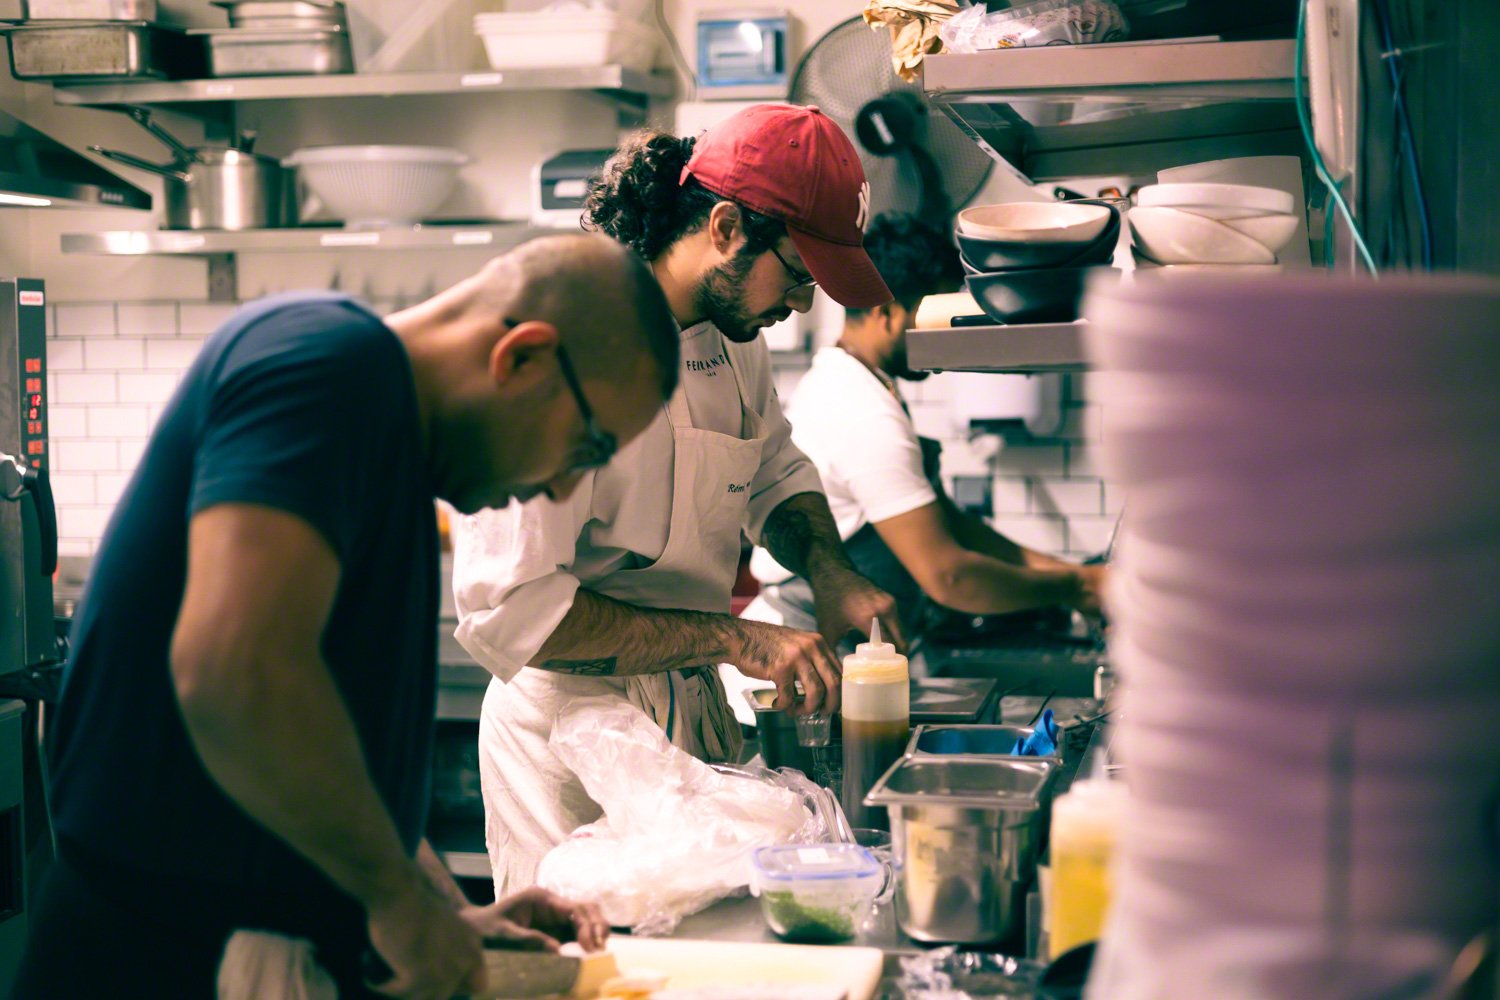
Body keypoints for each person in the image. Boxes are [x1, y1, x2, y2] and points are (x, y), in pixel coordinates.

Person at [15, 234, 676, 1000]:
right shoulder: (324, 363)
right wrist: (398, 902)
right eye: (584, 448)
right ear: (522, 357)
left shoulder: (385, 438)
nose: (562, 492)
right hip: (157, 959)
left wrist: (443, 911)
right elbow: (237, 672)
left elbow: (335, 759)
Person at [451, 104, 906, 896]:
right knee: (595, 966)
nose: (801, 305)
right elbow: (513, 616)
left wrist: (830, 570)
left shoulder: (736, 342)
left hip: (686, 712)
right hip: (571, 744)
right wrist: (742, 642)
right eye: (798, 276)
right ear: (726, 226)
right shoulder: (563, 342)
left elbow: (774, 472)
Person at [740, 213, 1106, 655]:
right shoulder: (861, 409)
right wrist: (1075, 586)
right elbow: (949, 577)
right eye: (933, 317)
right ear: (887, 314)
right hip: (810, 648)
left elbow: (951, 524)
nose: (946, 335)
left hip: (844, 647)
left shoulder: (860, 382)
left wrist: (1069, 575)